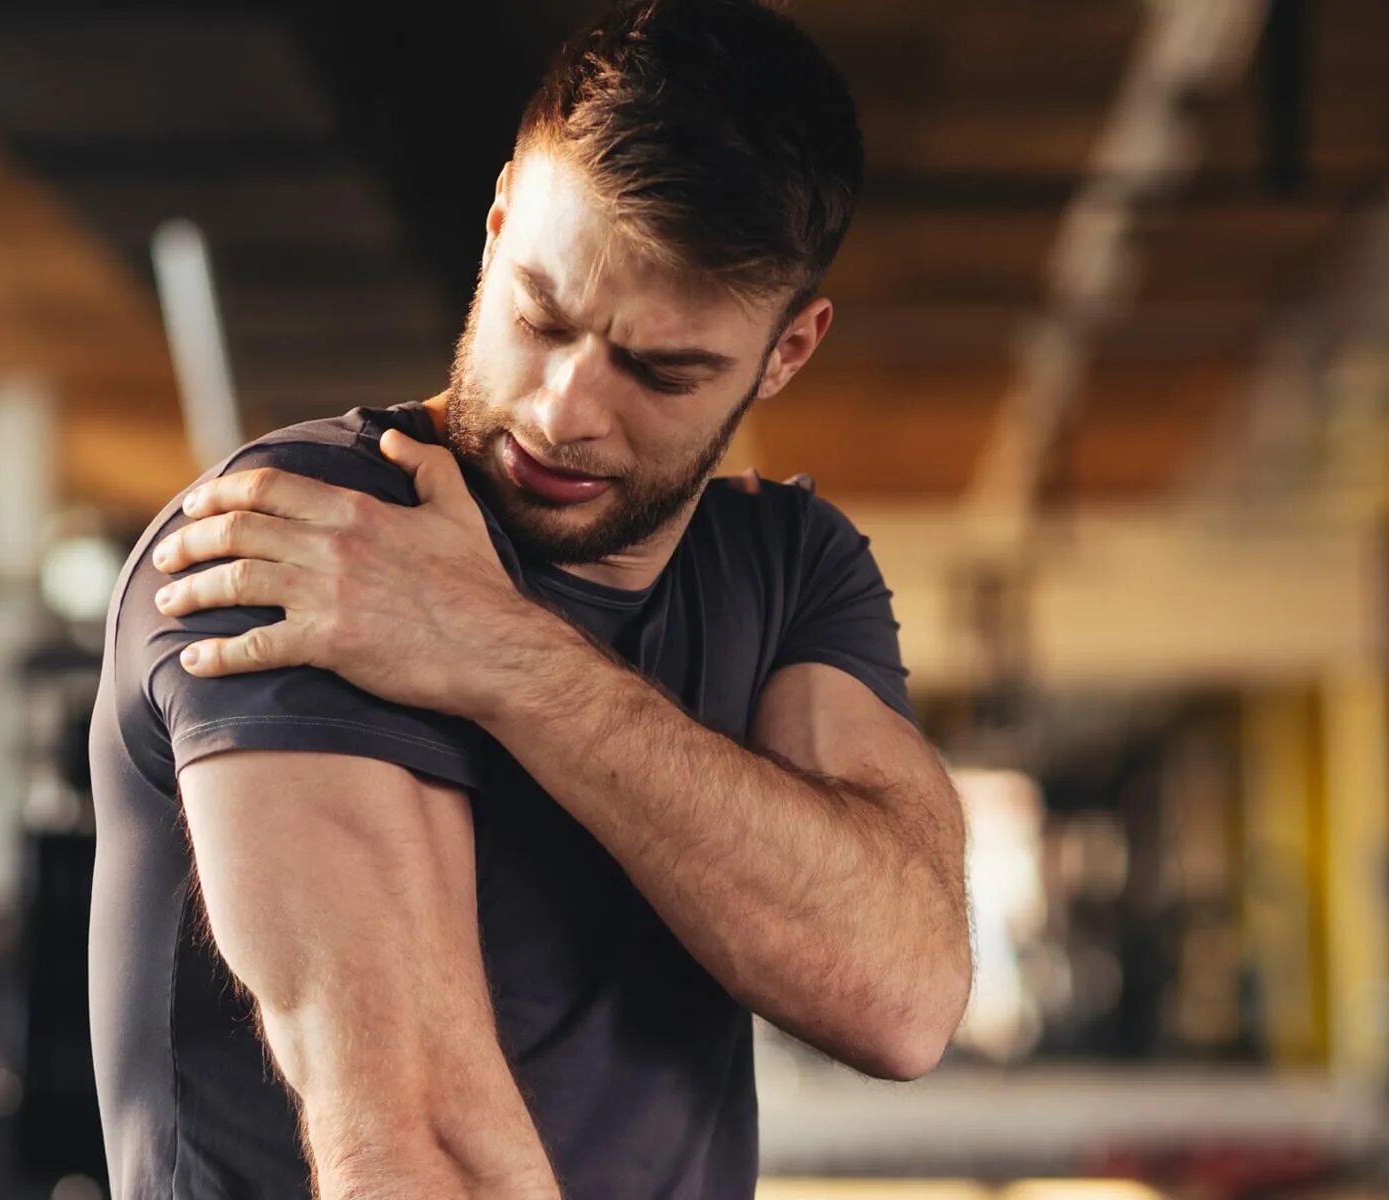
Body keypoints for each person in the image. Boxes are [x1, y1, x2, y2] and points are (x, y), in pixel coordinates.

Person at [87, 1, 972, 1196]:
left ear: (788, 350)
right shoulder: (312, 539)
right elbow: (414, 1147)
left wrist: (508, 656)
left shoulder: (786, 565)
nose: (563, 409)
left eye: (663, 370)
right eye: (540, 315)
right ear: (500, 220)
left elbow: (903, 992)